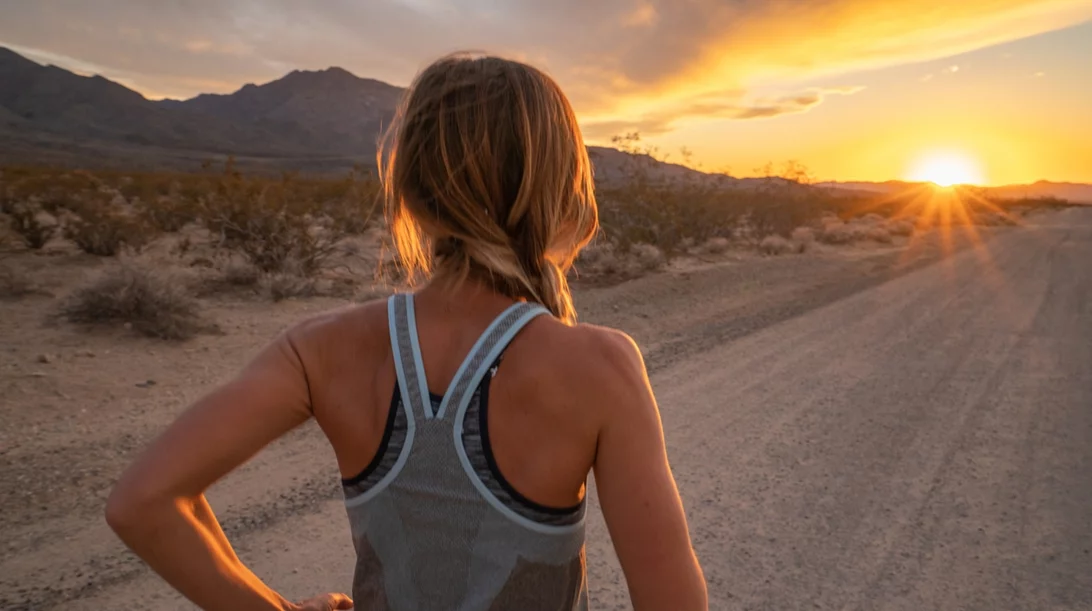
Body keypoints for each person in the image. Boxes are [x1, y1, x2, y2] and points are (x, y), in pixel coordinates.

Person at [105, 53, 708, 611]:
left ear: (414, 200)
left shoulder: (319, 348)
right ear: (560, 194)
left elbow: (143, 503)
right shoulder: (600, 367)